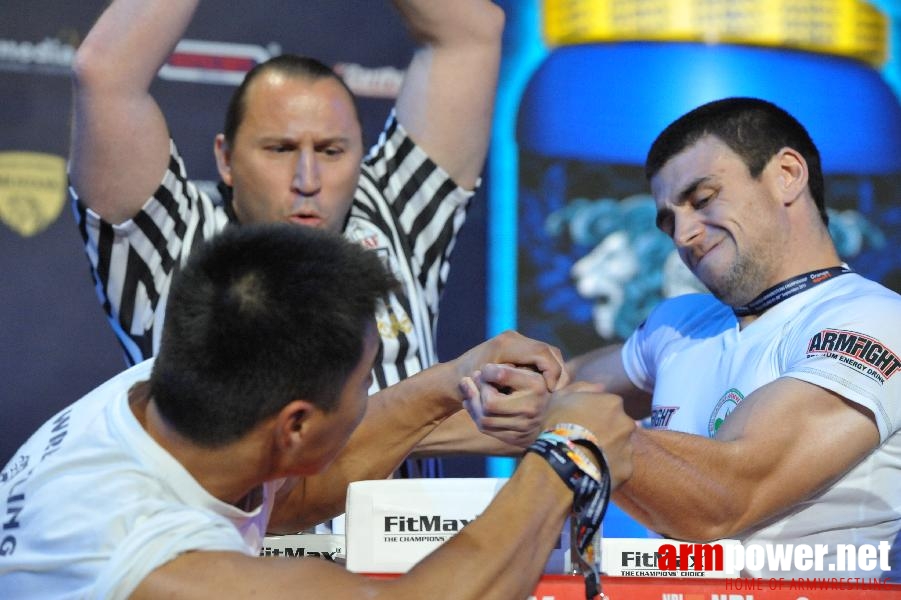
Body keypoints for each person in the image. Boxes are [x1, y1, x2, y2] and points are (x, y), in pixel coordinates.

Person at [0, 223, 634, 599]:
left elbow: (293, 498)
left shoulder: (183, 382)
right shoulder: (158, 567)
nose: (369, 399)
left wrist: (450, 381)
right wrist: (567, 454)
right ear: (297, 423)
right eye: (364, 384)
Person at [475, 97, 901, 579]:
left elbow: (726, 498)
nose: (683, 234)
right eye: (669, 220)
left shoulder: (875, 319)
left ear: (787, 174)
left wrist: (571, 425)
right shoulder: (680, 323)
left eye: (703, 200)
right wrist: (404, 414)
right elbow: (533, 401)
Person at [68, 0, 502, 397]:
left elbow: (470, 33)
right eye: (280, 149)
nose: (307, 179)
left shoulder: (394, 208)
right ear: (226, 158)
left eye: (332, 151)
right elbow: (106, 74)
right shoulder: (172, 242)